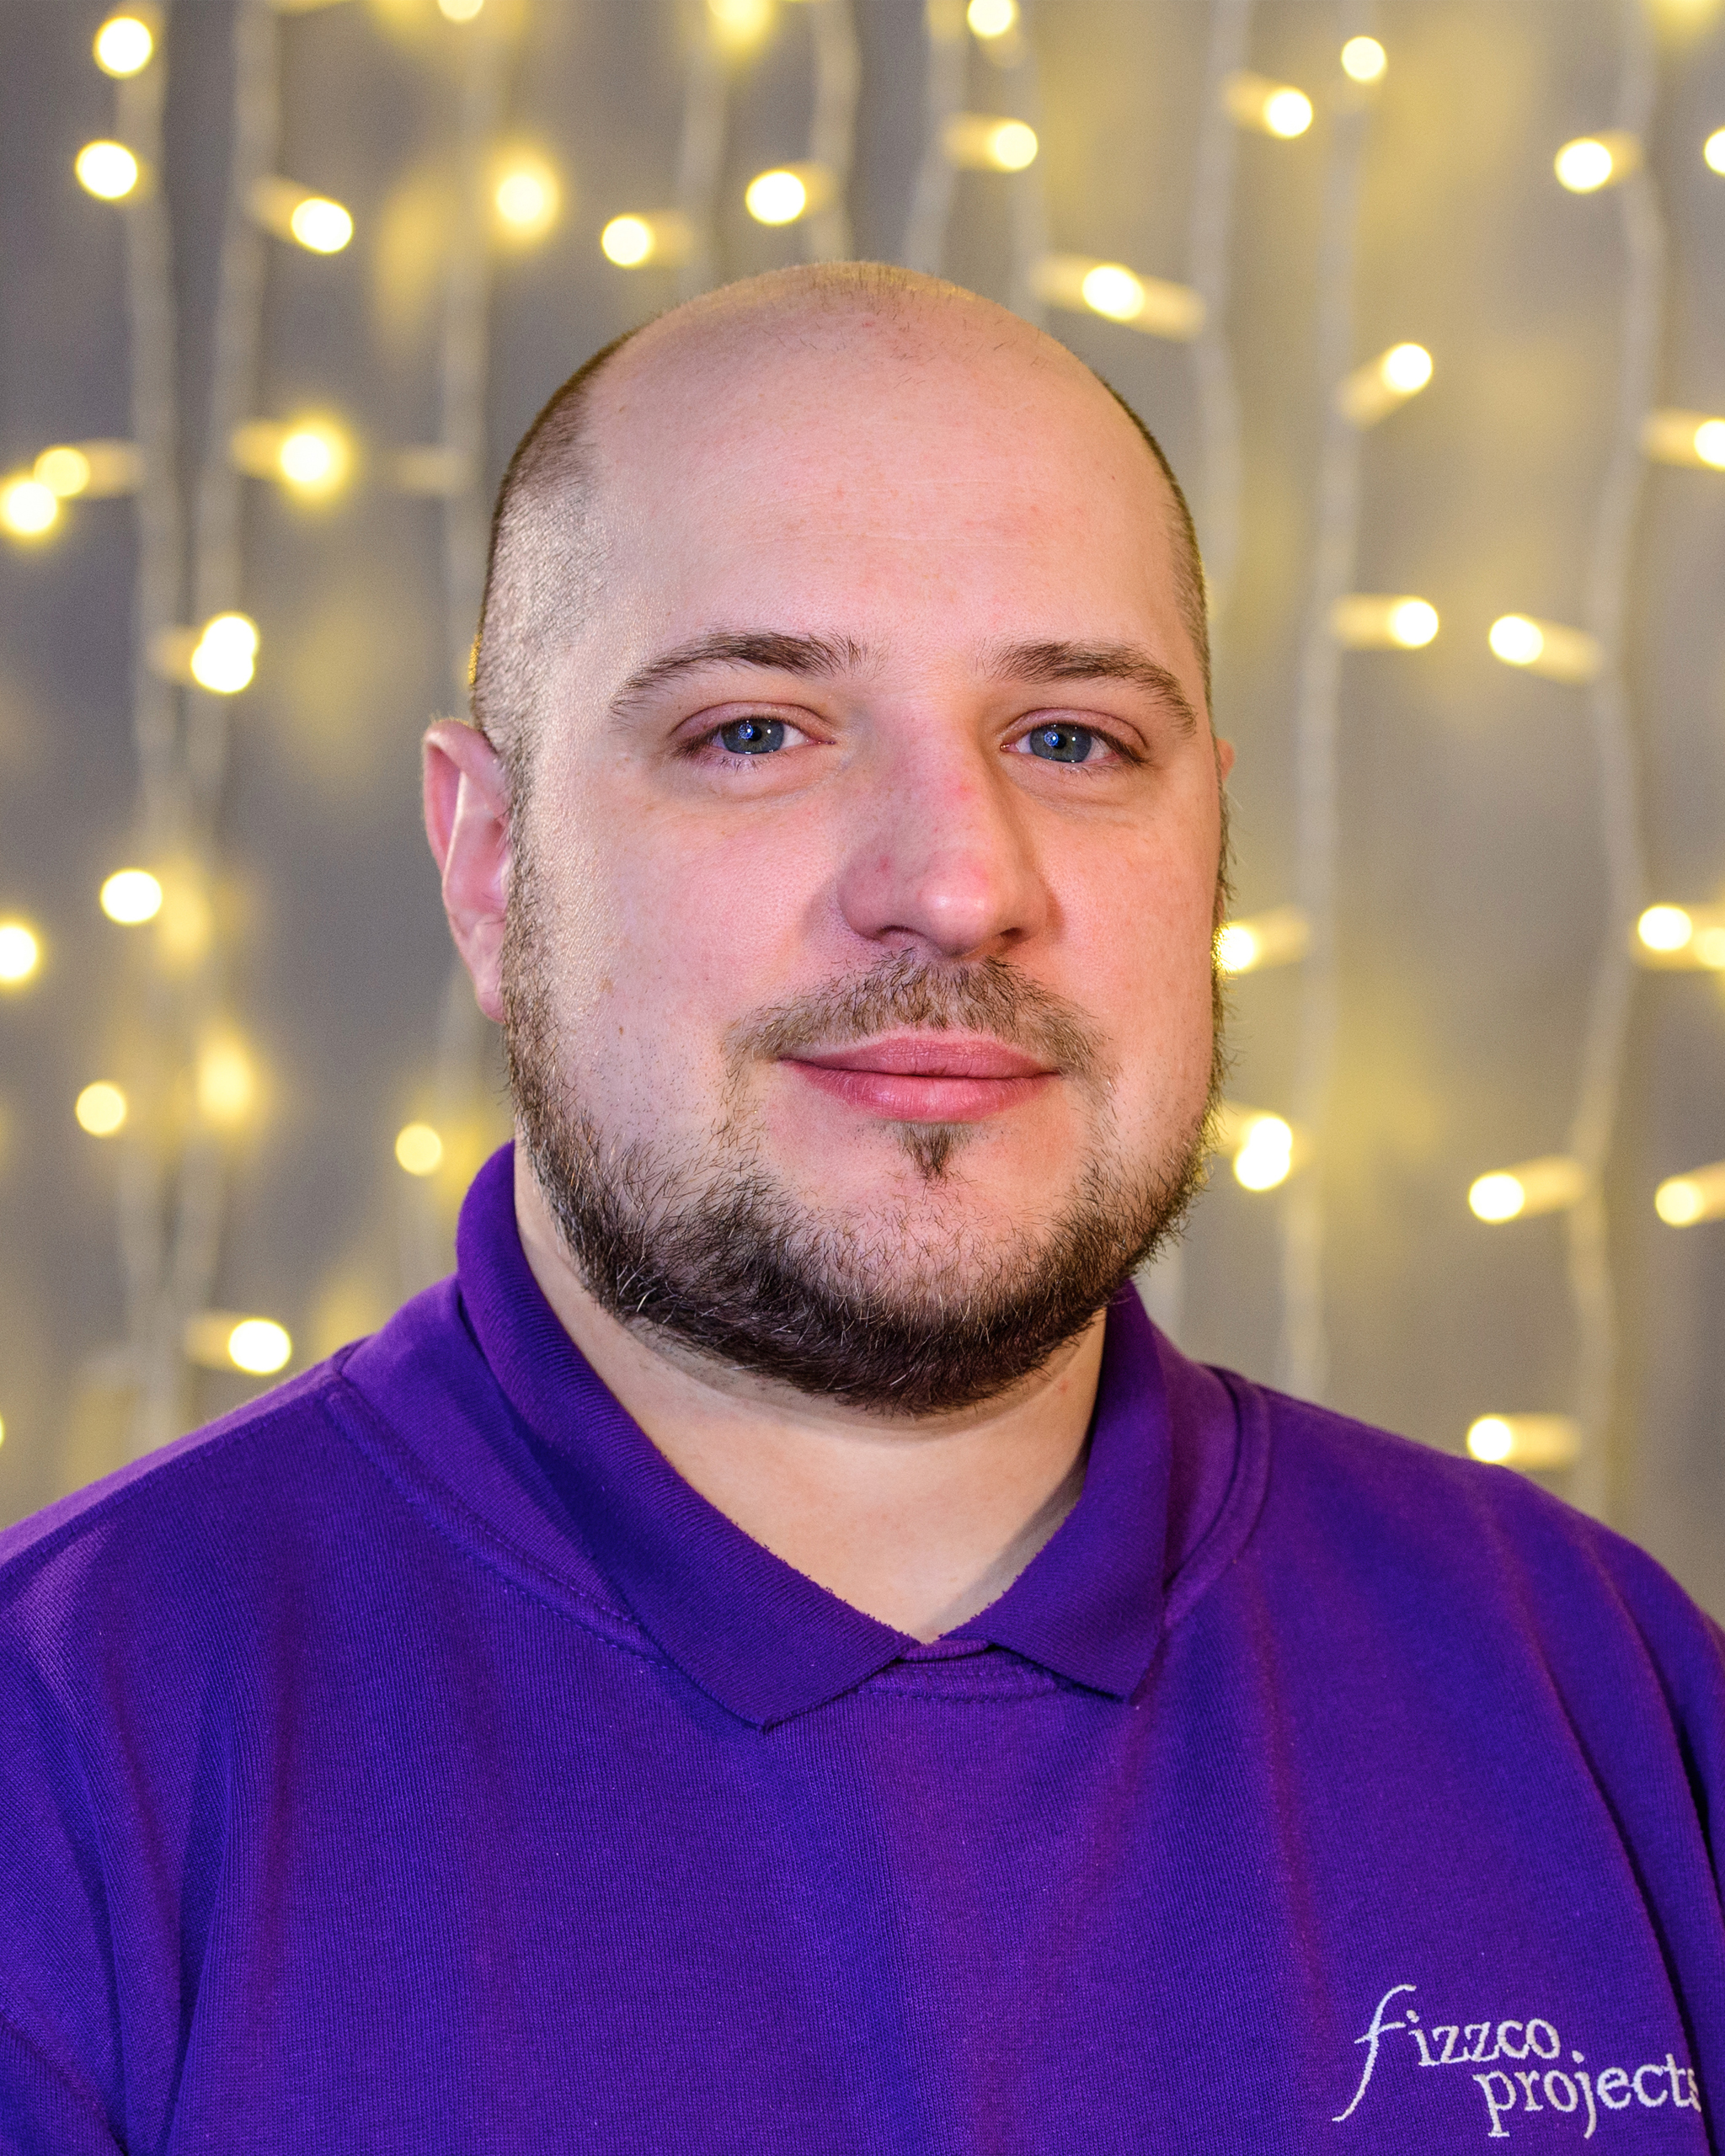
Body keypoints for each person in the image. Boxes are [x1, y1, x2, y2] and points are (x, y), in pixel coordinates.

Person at [1, 264, 1720, 2154]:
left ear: (1209, 841)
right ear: (491, 865)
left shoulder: (1602, 1680)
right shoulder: (67, 1757)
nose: (958, 881)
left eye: (1072, 737)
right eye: (757, 728)